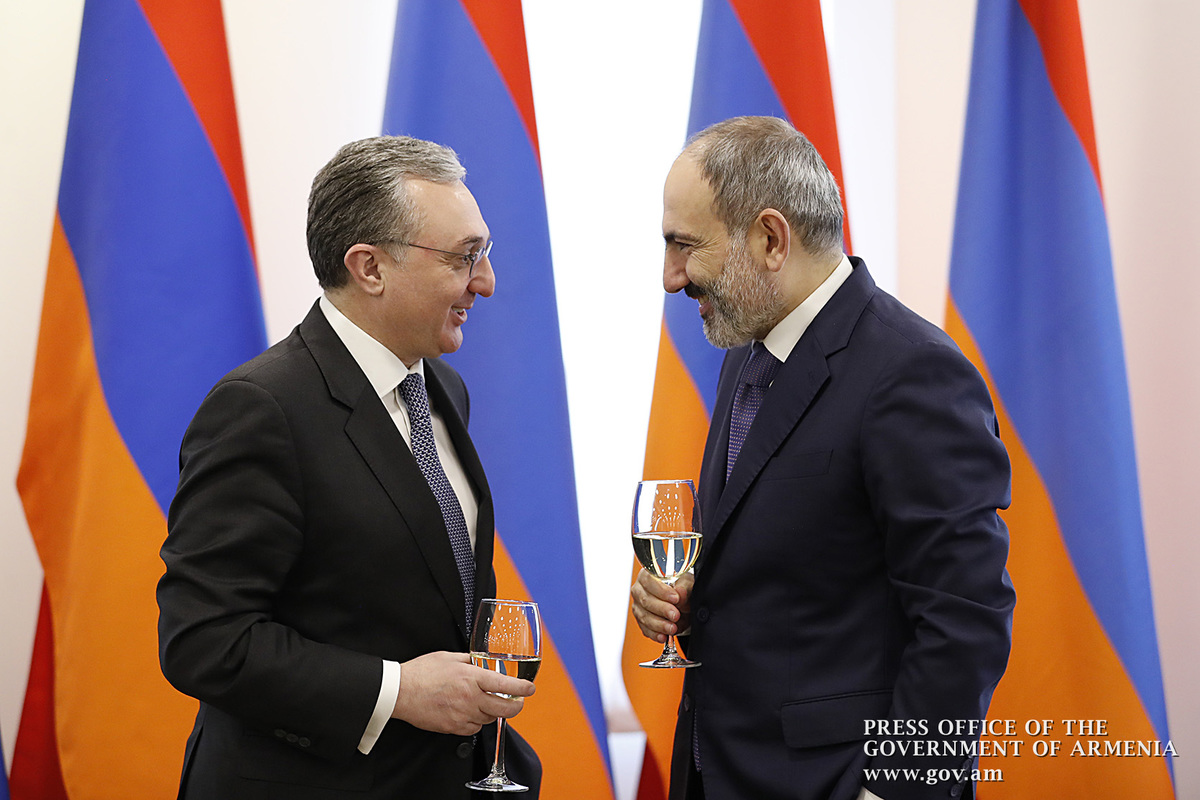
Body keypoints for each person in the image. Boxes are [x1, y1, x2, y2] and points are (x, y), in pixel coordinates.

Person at [631, 116, 1015, 800]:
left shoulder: (913, 372)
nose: (670, 277)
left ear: (770, 239)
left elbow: (966, 619)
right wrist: (688, 599)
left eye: (684, 245)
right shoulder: (747, 356)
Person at [157, 135, 539, 798]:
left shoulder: (443, 389)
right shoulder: (262, 408)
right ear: (369, 268)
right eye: (464, 257)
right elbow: (204, 640)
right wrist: (398, 690)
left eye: (484, 252)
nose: (486, 281)